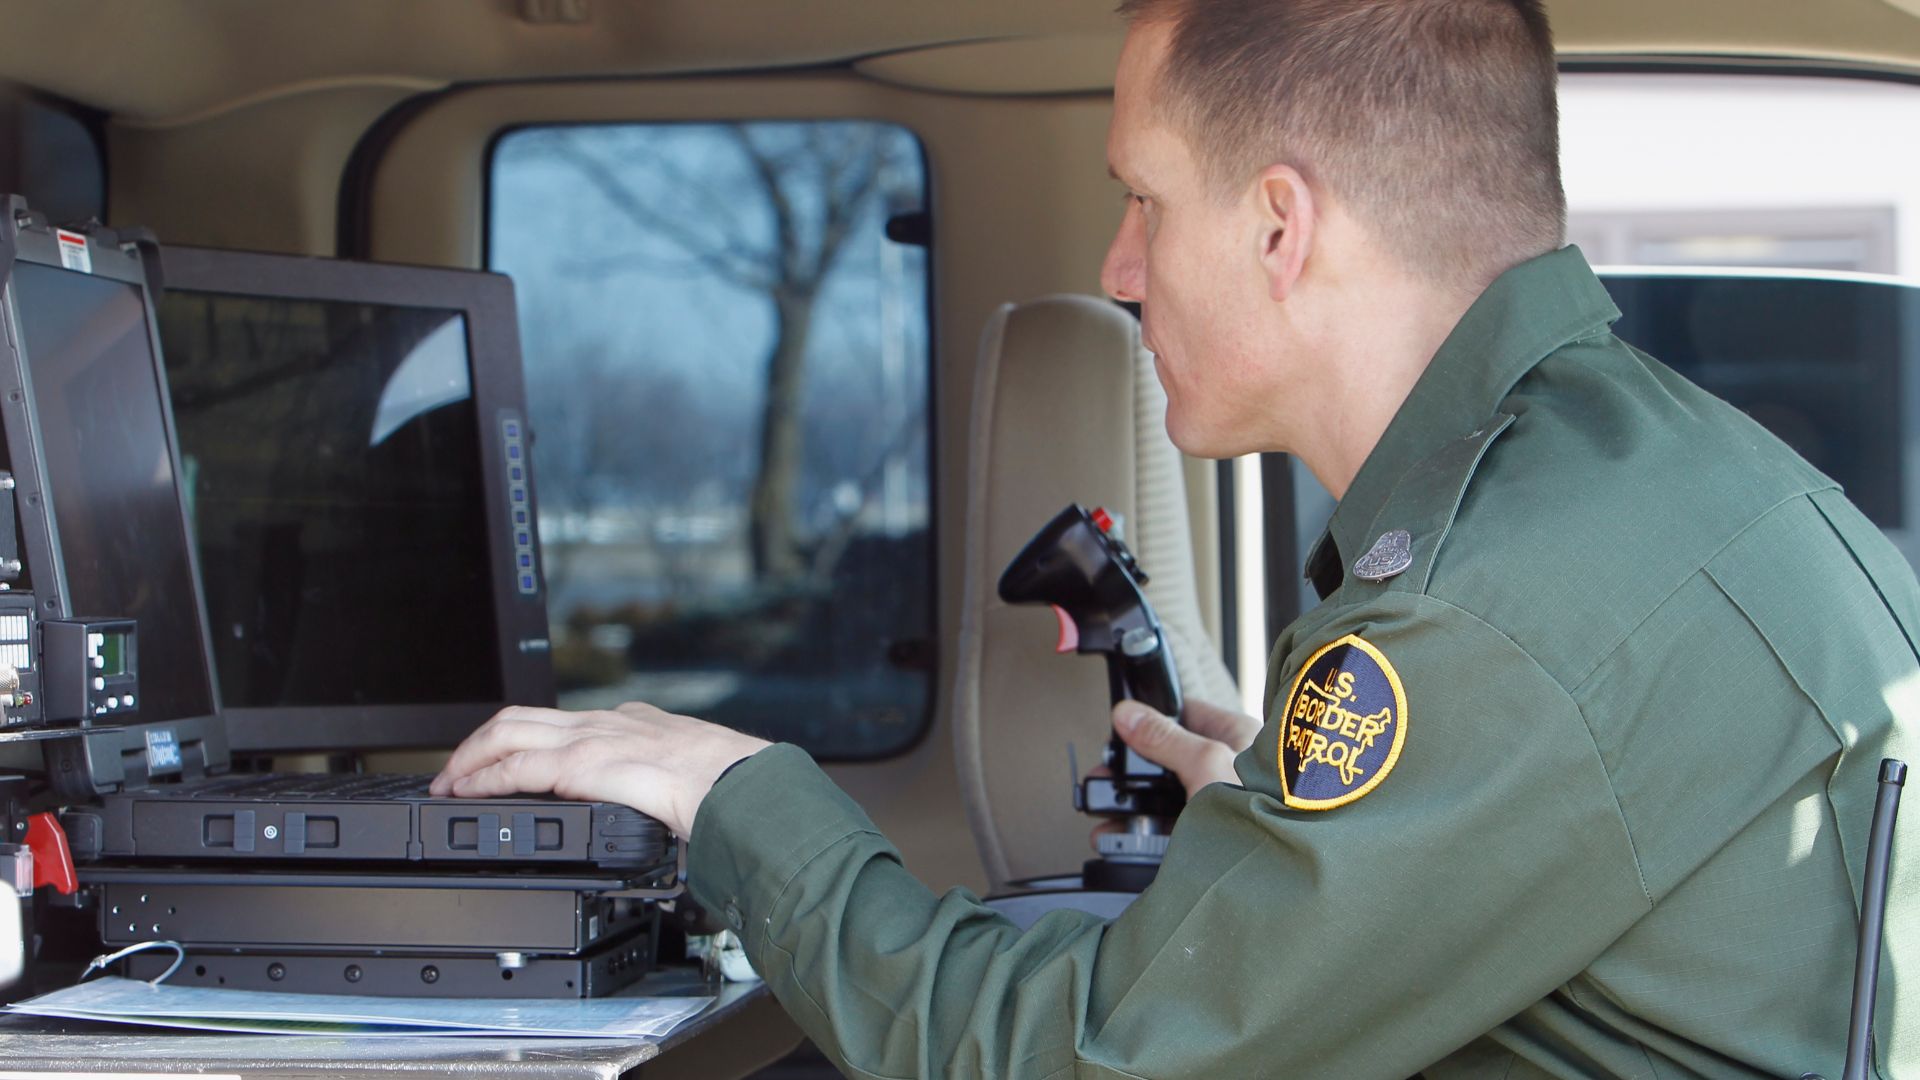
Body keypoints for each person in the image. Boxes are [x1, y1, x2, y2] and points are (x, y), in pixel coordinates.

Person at [431, 0, 1920, 1075]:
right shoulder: (1644, 476)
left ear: (1280, 228)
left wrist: (736, 789)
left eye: (1145, 198)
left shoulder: (1489, 618)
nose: (1117, 266)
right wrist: (1290, 830)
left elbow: (1074, 1062)